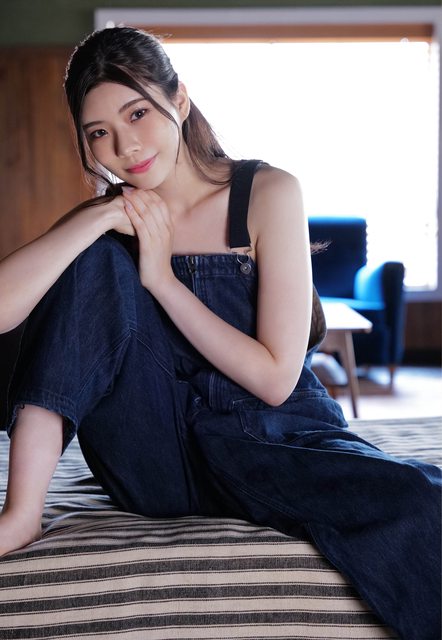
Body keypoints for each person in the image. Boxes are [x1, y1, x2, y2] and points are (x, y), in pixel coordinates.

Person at [0, 26, 440, 640]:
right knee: (94, 258)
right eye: (99, 132)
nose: (125, 146)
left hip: (274, 438)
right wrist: (98, 217)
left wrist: (161, 279)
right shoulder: (110, 218)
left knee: (422, 500)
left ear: (179, 99)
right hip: (155, 459)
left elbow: (276, 378)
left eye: (137, 113)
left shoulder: (267, 192)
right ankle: (21, 514)